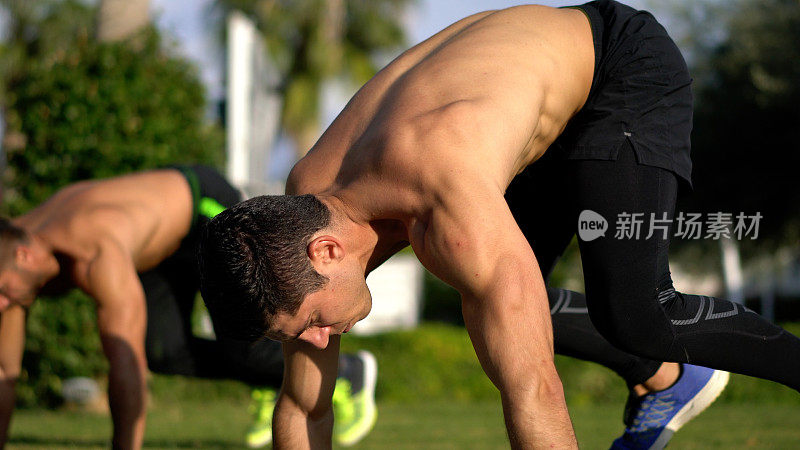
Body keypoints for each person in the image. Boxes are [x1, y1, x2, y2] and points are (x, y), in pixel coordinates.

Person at [199, 1, 800, 448]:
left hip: (617, 71)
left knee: (637, 313)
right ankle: (662, 377)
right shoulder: (304, 209)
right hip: (512, 107)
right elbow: (305, 406)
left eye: (308, 326)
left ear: (326, 250)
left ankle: (675, 358)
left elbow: (534, 393)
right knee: (496, 312)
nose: (318, 343)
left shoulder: (446, 207)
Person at [0, 166, 378, 449]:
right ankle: (268, 376)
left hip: (204, 210)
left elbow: (123, 360)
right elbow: (5, 370)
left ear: (25, 256)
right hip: (157, 252)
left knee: (244, 339)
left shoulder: (94, 251)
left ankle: (346, 371)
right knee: (162, 352)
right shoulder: (12, 262)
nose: (1, 304)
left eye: (2, 293)